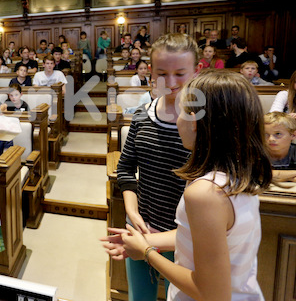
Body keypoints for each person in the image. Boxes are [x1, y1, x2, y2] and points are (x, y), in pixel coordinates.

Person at [102, 70, 272, 301]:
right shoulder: (238, 174)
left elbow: (211, 293)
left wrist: (147, 252)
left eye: (181, 111)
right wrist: (145, 240)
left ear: (194, 122)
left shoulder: (205, 193)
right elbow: (196, 237)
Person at [113, 33, 198, 301]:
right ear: (151, 73)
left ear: (196, 72)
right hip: (140, 229)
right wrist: (132, 212)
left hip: (184, 238)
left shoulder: (204, 125)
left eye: (180, 73)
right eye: (162, 73)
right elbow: (125, 168)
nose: (171, 83)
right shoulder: (141, 116)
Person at [264, 112, 296, 181]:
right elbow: (259, 175)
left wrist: (281, 176)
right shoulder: (257, 152)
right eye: (266, 134)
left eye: (278, 134)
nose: (271, 139)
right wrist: (292, 176)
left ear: (293, 135)